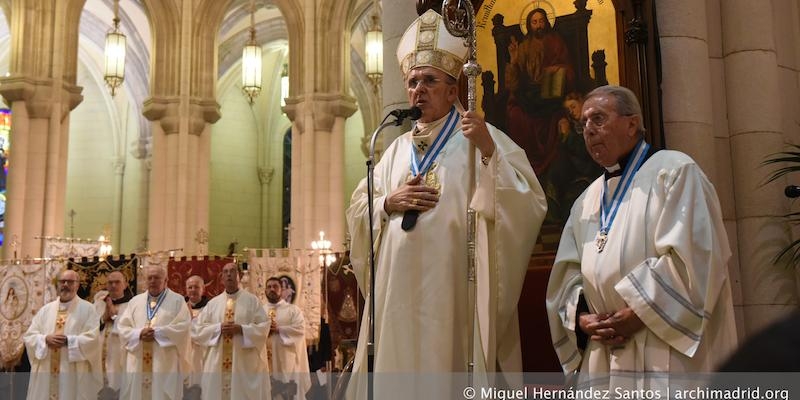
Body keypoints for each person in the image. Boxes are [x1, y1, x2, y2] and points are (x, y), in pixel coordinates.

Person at [346, 8, 547, 395]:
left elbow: (528, 200)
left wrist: (489, 154)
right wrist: (387, 202)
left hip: (452, 293)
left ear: (454, 90)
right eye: (412, 82)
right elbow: (358, 207)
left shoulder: (479, 141)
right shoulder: (395, 150)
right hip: (396, 299)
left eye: (429, 81)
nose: (417, 90)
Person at [545, 85, 737, 391]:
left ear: (632, 124)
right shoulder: (587, 199)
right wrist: (582, 318)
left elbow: (699, 258)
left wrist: (639, 312)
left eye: (598, 119)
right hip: (604, 351)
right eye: (584, 124)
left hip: (662, 341)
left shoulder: (674, 172)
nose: (589, 131)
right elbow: (568, 274)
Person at [505, 8, 574, 180]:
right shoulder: (523, 46)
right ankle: (524, 167)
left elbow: (569, 69)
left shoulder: (556, 42)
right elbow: (513, 84)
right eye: (534, 22)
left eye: (541, 21)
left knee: (555, 115)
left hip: (551, 93)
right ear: (529, 25)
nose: (538, 25)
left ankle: (550, 169)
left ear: (547, 22)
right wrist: (513, 61)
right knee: (515, 115)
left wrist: (558, 70)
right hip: (529, 94)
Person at [192, 262, 270, 399]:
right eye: (225, 272)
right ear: (222, 278)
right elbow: (197, 330)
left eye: (232, 271)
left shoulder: (252, 301)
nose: (229, 274)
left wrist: (242, 329)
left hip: (243, 364)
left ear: (239, 276)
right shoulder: (213, 304)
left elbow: (264, 327)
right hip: (216, 364)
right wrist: (217, 329)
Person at [23, 269, 102, 400]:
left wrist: (69, 341)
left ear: (77, 285)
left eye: (70, 282)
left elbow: (93, 339)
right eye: (62, 281)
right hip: (46, 372)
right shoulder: (45, 310)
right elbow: (29, 336)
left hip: (72, 372)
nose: (65, 284)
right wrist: (45, 339)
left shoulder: (88, 309)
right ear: (57, 284)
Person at [117, 265, 193, 400]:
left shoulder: (177, 300)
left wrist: (157, 333)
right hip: (138, 361)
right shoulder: (135, 301)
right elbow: (123, 327)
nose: (152, 281)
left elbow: (183, 327)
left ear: (166, 280)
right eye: (149, 278)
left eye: (157, 278)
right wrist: (139, 334)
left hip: (164, 362)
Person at [263, 276, 311, 400]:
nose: (272, 289)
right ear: (265, 290)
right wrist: (263, 331)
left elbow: (300, 330)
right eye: (269, 287)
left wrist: (279, 329)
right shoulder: (259, 311)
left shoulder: (293, 310)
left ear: (282, 290)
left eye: (275, 286)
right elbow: (251, 332)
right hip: (264, 364)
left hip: (287, 365)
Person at [93, 270, 133, 394]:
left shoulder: (131, 305)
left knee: (117, 385)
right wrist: (103, 318)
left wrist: (114, 316)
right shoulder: (98, 304)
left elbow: (131, 330)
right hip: (97, 352)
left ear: (125, 285)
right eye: (110, 282)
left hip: (118, 353)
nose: (113, 285)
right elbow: (88, 327)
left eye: (117, 282)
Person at [184, 274, 208, 394]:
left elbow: (205, 333)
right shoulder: (179, 307)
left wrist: (190, 320)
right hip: (183, 355)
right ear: (186, 289)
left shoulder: (210, 308)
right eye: (190, 287)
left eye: (196, 287)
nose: (193, 290)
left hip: (201, 355)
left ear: (203, 289)